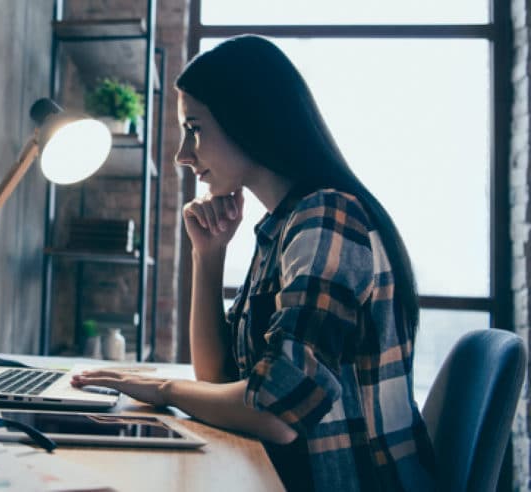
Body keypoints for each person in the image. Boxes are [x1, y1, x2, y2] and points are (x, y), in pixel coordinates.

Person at [71, 35, 436, 491]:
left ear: (249, 120)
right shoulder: (284, 228)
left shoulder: (326, 218)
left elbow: (276, 411)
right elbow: (218, 377)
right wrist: (209, 256)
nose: (184, 155)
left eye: (196, 128)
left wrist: (162, 391)